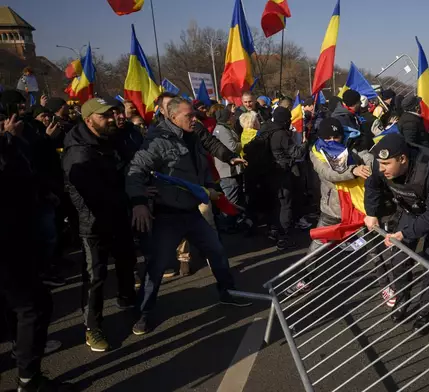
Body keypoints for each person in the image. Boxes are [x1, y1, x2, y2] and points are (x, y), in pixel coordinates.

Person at [126, 97, 250, 336]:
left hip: (192, 213)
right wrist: (139, 201)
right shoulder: (157, 141)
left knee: (216, 250)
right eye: (189, 116)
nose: (195, 119)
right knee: (157, 266)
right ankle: (143, 312)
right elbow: (135, 171)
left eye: (194, 115)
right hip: (167, 216)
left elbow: (208, 148)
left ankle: (228, 292)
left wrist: (223, 163)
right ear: (172, 118)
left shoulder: (193, 131)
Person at [1, 113, 73, 391]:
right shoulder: (8, 149)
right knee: (34, 307)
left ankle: (23, 359)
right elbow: (17, 178)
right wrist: (10, 141)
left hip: (15, 241)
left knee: (19, 306)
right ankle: (30, 380)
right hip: (9, 246)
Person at [62, 98, 138, 352]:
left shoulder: (110, 139)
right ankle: (92, 327)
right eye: (104, 116)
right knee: (95, 276)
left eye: (112, 114)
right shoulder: (79, 152)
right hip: (93, 224)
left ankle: (127, 299)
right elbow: (83, 194)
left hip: (118, 215)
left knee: (127, 259)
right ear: (89, 119)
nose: (111, 119)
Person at [364, 133, 429, 334]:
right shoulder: (382, 166)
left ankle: (424, 312)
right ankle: (403, 300)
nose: (381, 168)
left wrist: (405, 233)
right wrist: (371, 213)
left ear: (402, 159)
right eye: (380, 163)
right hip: (411, 210)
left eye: (387, 164)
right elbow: (372, 185)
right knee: (398, 259)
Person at [287, 117, 373, 292]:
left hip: (358, 206)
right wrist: (354, 171)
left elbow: (368, 156)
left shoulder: (352, 145)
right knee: (317, 246)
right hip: (332, 208)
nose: (333, 141)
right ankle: (306, 278)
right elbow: (328, 173)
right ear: (321, 138)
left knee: (373, 247)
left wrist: (370, 166)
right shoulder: (315, 152)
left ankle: (388, 283)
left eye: (336, 138)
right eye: (328, 138)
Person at [262, 107, 308, 249]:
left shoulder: (265, 129)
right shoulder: (281, 134)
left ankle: (273, 231)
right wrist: (305, 142)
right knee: (285, 205)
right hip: (281, 173)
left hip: (267, 173)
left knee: (273, 204)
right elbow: (296, 153)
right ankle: (284, 237)